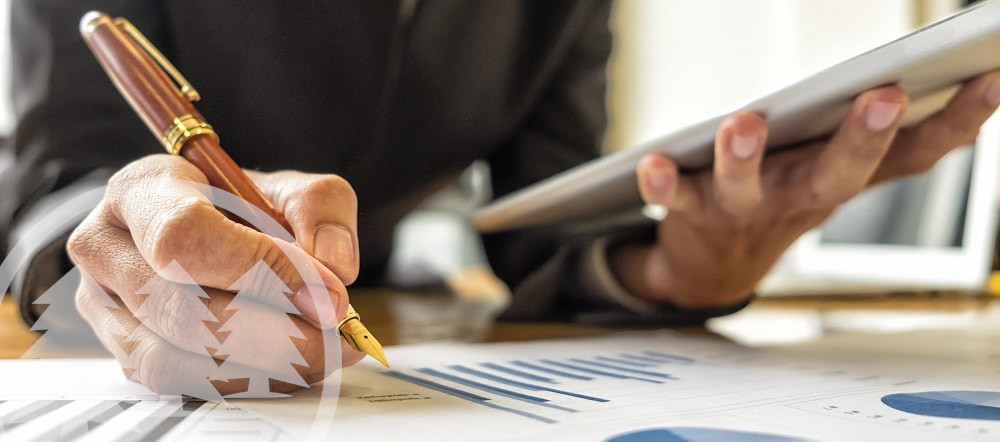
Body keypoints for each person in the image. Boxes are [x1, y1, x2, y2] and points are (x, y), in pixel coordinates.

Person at [3, 1, 998, 396]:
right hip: (163, 307)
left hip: (345, 290)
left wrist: (691, 264)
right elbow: (51, 182)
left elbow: (545, 226)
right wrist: (136, 212)